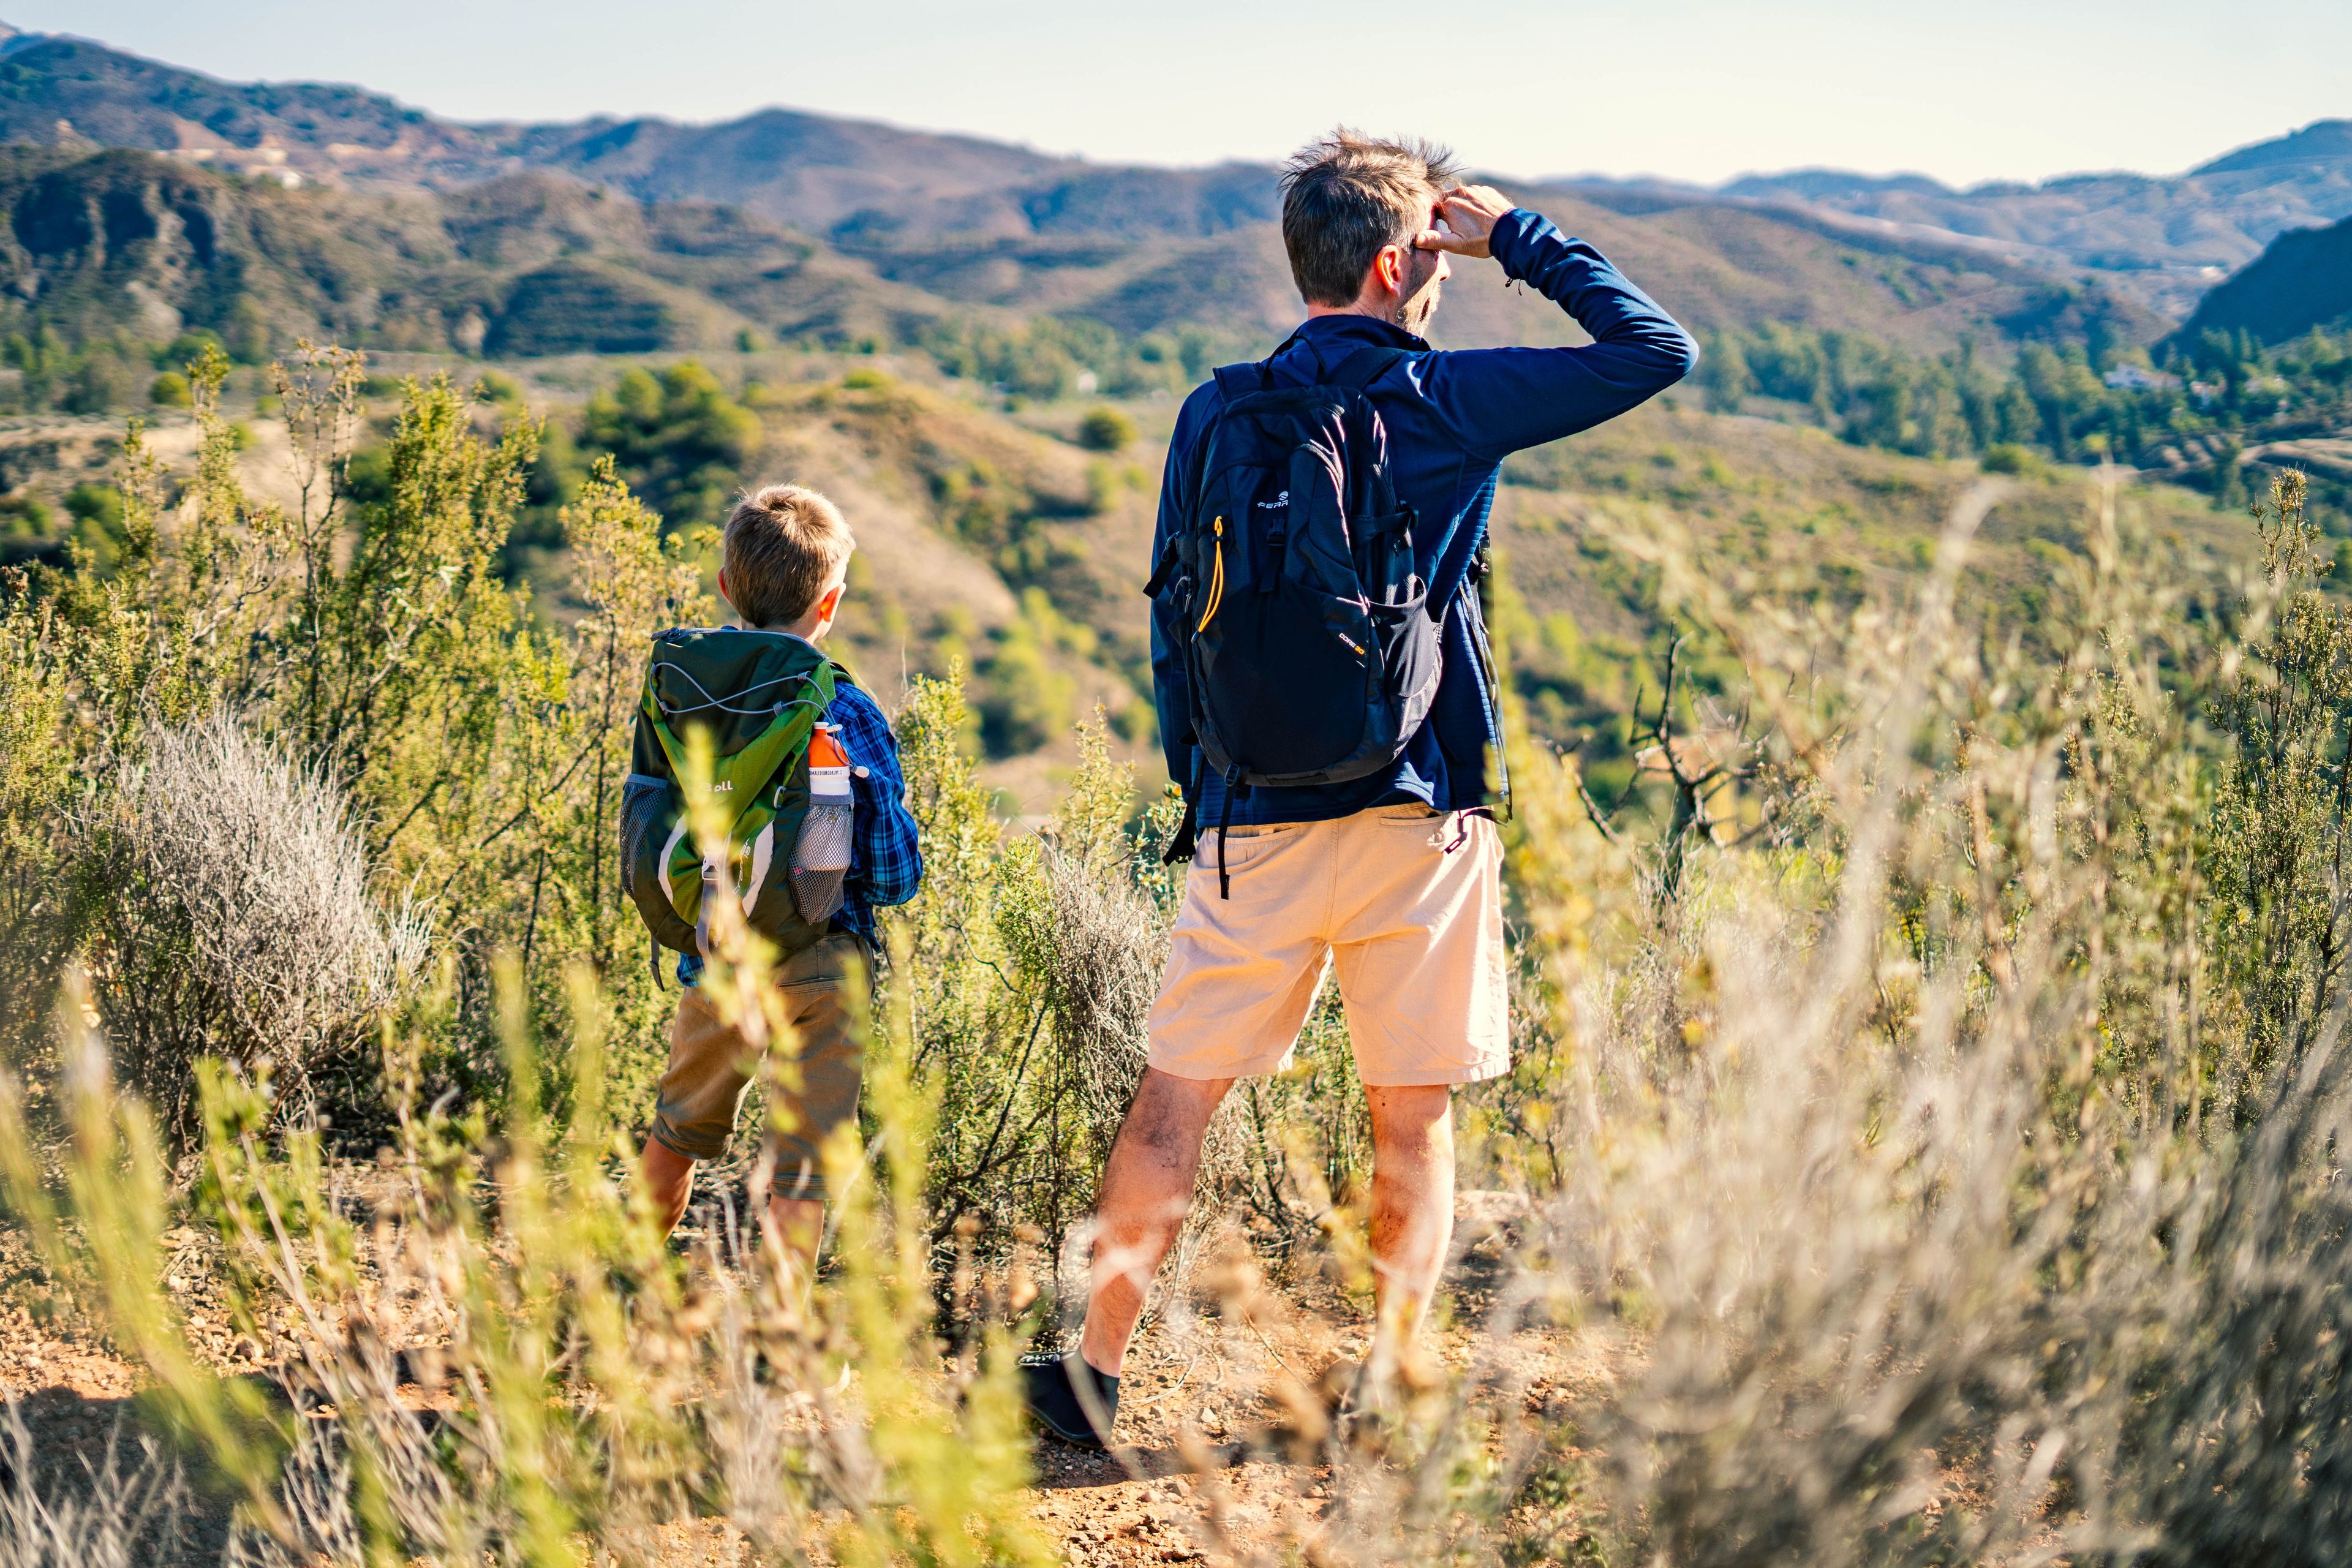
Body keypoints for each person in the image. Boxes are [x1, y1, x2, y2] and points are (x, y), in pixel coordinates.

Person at [1020, 131, 1695, 1448]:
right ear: (1400, 262)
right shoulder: (1443, 400)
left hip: (1249, 823)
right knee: (1411, 1111)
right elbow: (1655, 349)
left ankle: (1092, 1375)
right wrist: (1514, 240)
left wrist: (1208, 790)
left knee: (1174, 1101)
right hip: (1419, 812)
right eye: (1428, 257)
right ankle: (1390, 1379)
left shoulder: (1216, 412)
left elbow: (1172, 614)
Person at [635, 483, 922, 1272]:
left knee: (677, 1136)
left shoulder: (681, 692)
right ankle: (783, 1339)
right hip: (824, 963)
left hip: (716, 958)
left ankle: (615, 1295)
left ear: (726, 587)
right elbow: (895, 874)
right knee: (800, 1168)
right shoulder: (848, 708)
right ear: (829, 603)